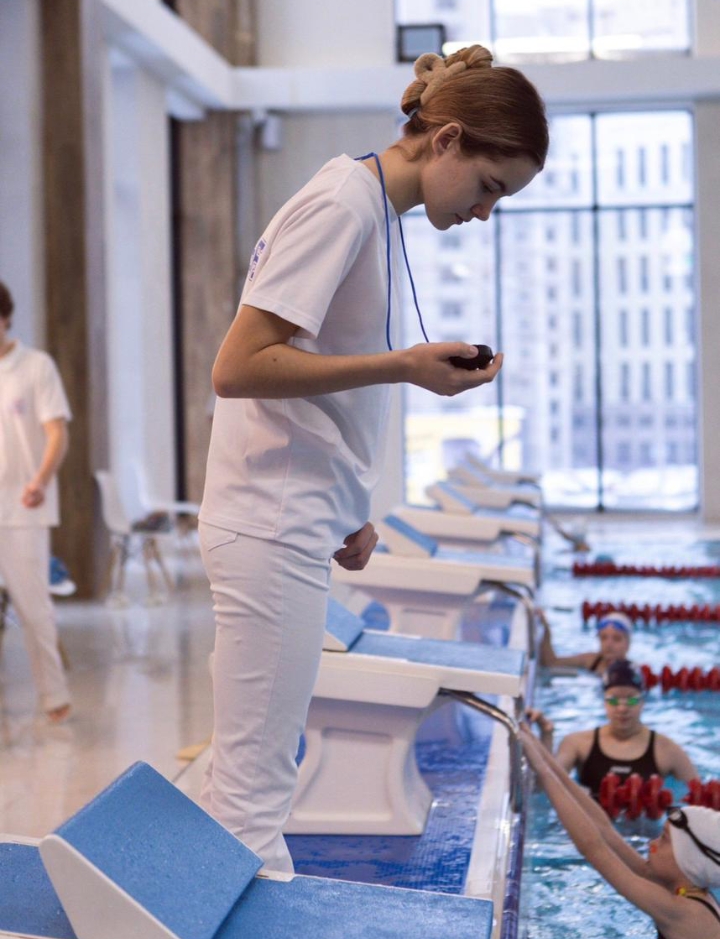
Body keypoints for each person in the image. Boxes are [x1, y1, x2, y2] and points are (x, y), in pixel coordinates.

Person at [198, 45, 549, 871]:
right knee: (254, 798)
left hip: (291, 516)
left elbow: (318, 374)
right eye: (490, 187)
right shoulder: (343, 205)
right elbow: (238, 367)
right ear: (448, 139)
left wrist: (347, 509)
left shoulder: (372, 211)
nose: (484, 212)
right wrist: (404, 366)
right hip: (267, 522)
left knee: (252, 777)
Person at [520, 721, 720, 939]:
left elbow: (594, 848)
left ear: (687, 861)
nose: (651, 843)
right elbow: (605, 831)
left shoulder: (683, 911)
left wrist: (542, 768)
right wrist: (543, 757)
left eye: (663, 839)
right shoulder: (683, 888)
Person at [0, 281, 72, 722]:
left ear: (5, 318)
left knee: (32, 607)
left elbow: (57, 433)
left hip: (23, 505)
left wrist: (41, 480)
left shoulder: (35, 367)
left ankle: (54, 696)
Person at [529, 659, 699, 796]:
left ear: (643, 701)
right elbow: (543, 789)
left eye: (631, 699)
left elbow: (698, 797)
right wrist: (546, 736)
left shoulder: (667, 750)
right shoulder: (577, 743)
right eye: (613, 699)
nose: (622, 708)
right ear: (603, 701)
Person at [539, 607, 634, 680]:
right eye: (603, 638)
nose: (609, 644)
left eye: (616, 639)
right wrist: (546, 630)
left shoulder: (633, 671)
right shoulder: (591, 660)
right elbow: (551, 662)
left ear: (628, 644)